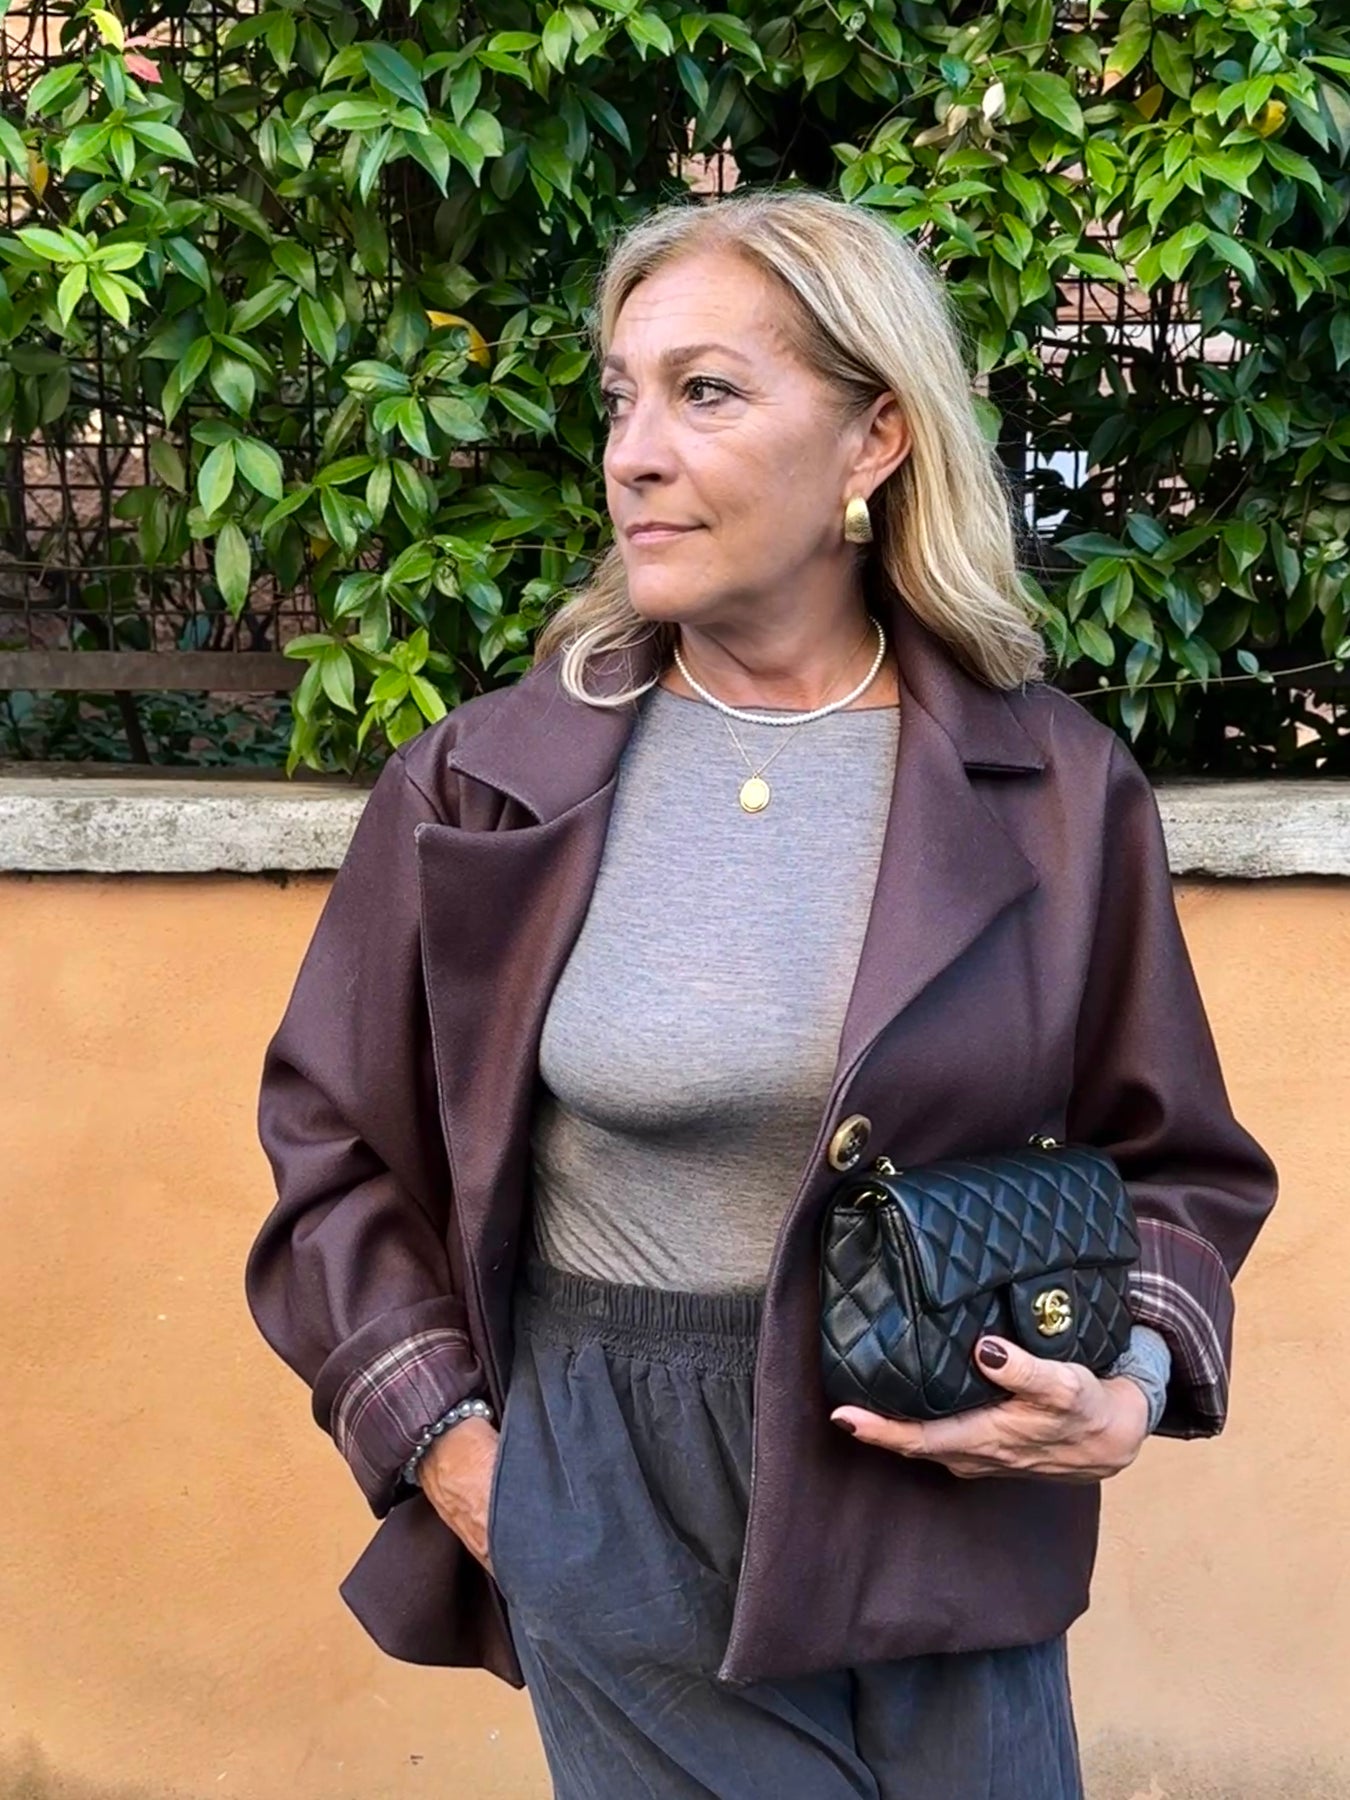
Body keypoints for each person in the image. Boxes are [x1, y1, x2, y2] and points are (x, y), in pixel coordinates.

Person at [245, 190, 1278, 1799]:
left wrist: (1125, 1384)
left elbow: (1176, 1160)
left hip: (946, 1496)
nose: (633, 453)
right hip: (613, 1493)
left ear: (875, 438)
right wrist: (460, 1459)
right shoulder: (485, 790)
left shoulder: (1053, 791)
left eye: (705, 392)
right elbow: (335, 1149)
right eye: (621, 398)